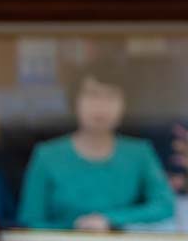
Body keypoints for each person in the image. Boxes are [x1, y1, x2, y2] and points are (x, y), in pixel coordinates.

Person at [17, 73, 176, 231]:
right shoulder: (46, 155)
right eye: (92, 95)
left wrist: (111, 219)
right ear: (74, 101)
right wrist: (74, 228)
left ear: (124, 104)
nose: (101, 106)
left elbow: (164, 206)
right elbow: (30, 222)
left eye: (111, 97)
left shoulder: (140, 153)